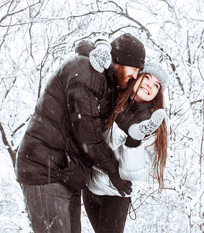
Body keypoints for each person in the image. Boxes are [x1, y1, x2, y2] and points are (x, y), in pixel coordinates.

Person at [15, 33, 146, 233]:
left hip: (66, 174)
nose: (135, 76)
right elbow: (87, 132)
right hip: (45, 170)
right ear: (119, 61)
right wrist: (114, 173)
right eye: (134, 68)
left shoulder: (103, 81)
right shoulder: (86, 71)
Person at [82, 62, 169, 233]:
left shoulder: (152, 122)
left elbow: (136, 172)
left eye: (156, 86)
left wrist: (133, 142)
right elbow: (95, 141)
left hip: (116, 193)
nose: (149, 86)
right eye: (147, 78)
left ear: (157, 94)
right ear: (136, 77)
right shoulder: (113, 99)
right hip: (91, 187)